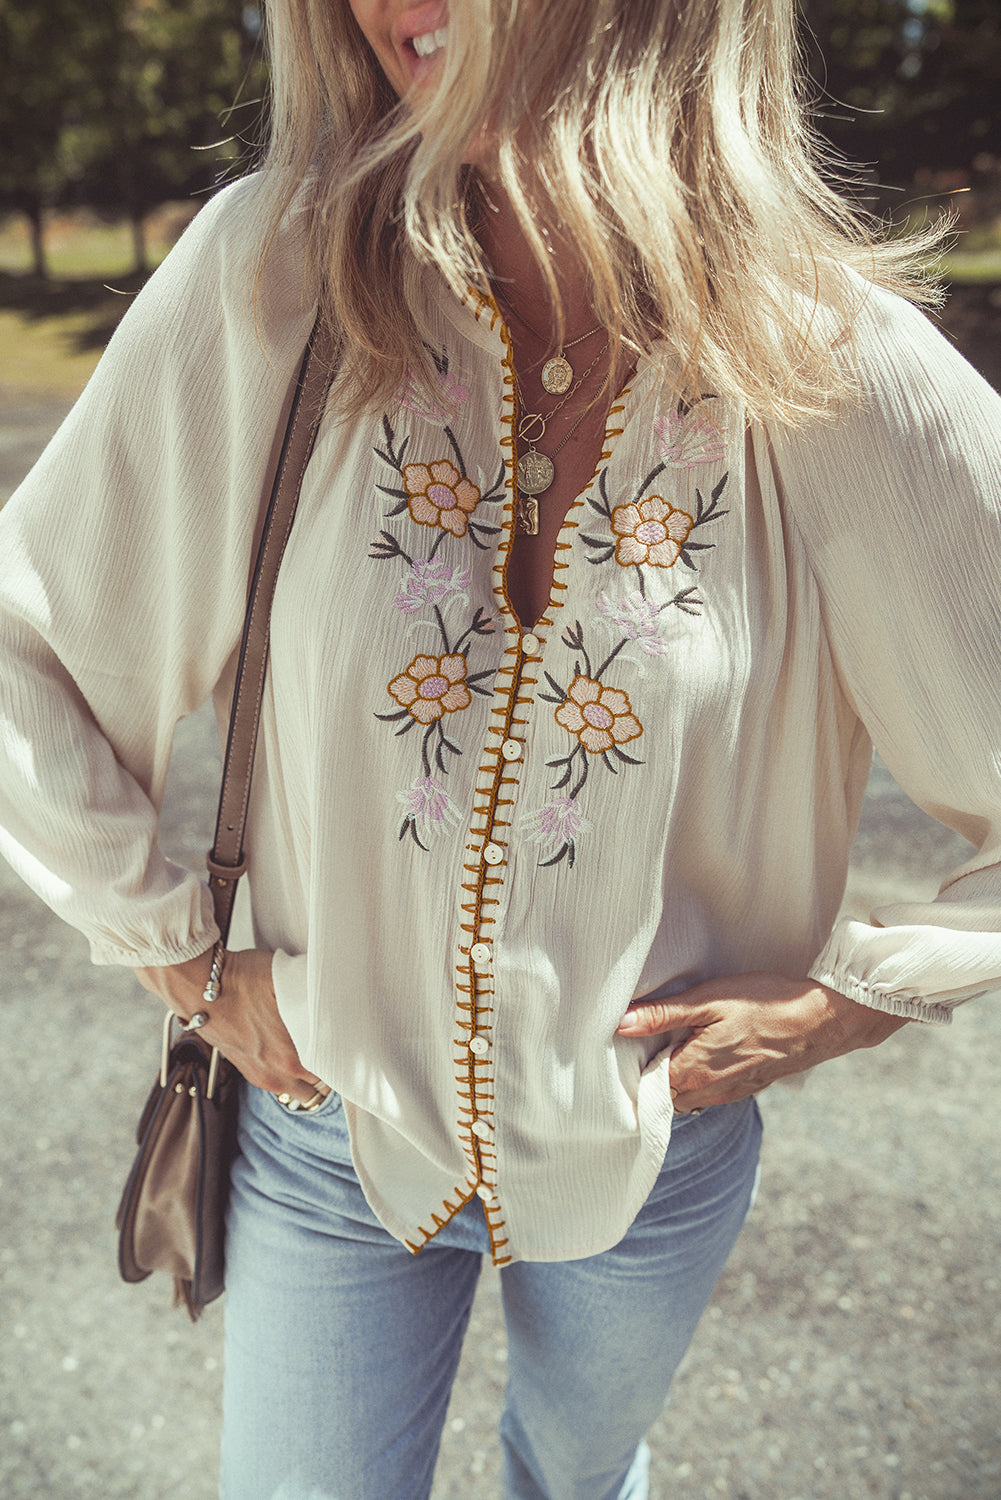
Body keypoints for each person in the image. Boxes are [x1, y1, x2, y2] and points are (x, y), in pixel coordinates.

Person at [1, 1, 999, 1496]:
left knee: (577, 1484)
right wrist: (174, 947)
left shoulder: (827, 357)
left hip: (652, 1149)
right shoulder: (271, 278)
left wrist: (848, 1002)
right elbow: (26, 646)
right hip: (323, 1126)